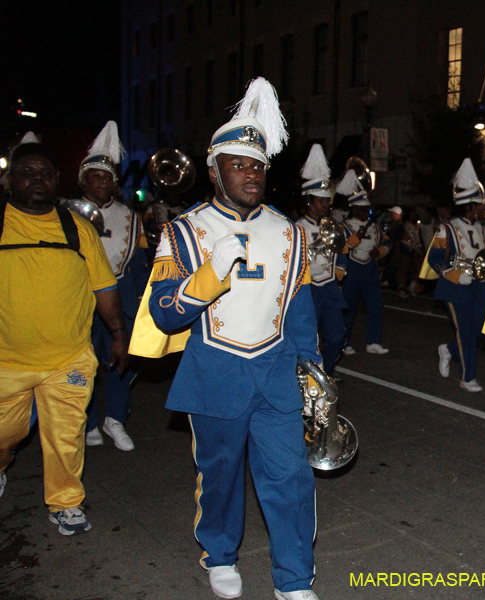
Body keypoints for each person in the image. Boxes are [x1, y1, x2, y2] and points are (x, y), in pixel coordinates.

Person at [138, 78, 321, 600]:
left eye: (257, 165)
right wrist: (209, 274)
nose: (251, 174)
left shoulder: (289, 231)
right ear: (215, 171)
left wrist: (313, 372)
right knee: (219, 475)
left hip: (276, 373)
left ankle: (294, 579)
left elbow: (299, 310)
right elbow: (164, 314)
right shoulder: (184, 232)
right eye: (237, 165)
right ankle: (219, 553)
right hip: (214, 372)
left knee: (291, 477)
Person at [0, 140, 127, 535]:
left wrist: (118, 334)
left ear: (56, 180)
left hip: (68, 359)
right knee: (6, 435)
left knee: (66, 436)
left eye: (45, 173)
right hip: (6, 362)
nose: (37, 179)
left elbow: (104, 288)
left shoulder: (77, 228)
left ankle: (65, 501)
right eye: (27, 172)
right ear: (9, 179)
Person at [79, 120, 150, 451]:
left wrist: (142, 299)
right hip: (79, 294)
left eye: (107, 177)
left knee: (121, 359)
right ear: (83, 180)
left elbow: (138, 262)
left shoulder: (131, 217)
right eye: (95, 176)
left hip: (119, 293)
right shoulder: (67, 213)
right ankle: (88, 419)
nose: (102, 182)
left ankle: (115, 418)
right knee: (85, 361)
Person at [427, 158, 485, 393]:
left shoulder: (481, 228)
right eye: (479, 204)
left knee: (478, 331)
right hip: (455, 287)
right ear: (469, 205)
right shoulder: (448, 228)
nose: (482, 207)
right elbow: (434, 258)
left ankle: (448, 350)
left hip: (477, 285)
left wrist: (484, 272)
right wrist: (455, 275)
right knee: (465, 331)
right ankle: (467, 377)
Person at [296, 143, 347, 377]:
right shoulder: (296, 229)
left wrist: (340, 269)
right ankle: (306, 378)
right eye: (321, 201)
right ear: (309, 201)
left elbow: (342, 251)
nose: (326, 205)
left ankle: (323, 374)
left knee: (337, 337)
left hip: (328, 288)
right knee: (306, 340)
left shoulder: (333, 226)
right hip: (307, 290)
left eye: (327, 201)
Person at [337, 168, 390, 354]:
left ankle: (373, 342)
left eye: (367, 209)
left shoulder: (375, 227)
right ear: (353, 209)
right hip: (351, 269)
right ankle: (345, 342)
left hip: (370, 269)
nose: (365, 211)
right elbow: (340, 248)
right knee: (348, 308)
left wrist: (380, 251)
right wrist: (355, 238)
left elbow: (388, 243)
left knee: (375, 306)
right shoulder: (344, 227)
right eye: (361, 208)